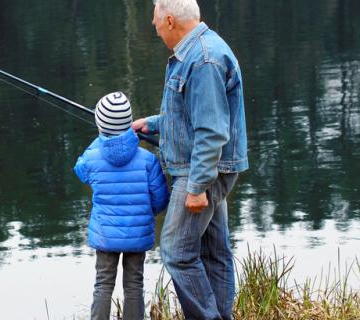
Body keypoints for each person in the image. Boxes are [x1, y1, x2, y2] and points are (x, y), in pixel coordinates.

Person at [131, 1, 249, 319]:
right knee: (213, 251)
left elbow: (211, 131)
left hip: (202, 171)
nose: (154, 27)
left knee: (177, 252)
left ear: (170, 20)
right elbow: (193, 111)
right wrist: (154, 123)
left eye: (155, 20)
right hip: (204, 167)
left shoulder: (204, 60)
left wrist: (197, 186)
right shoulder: (198, 51)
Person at [74, 91, 169, 320]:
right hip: (138, 232)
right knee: (134, 284)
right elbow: (160, 199)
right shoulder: (148, 160)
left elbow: (80, 171)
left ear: (100, 125)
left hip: (105, 235)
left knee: (103, 284)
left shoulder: (92, 157)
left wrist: (100, 140)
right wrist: (145, 213)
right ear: (129, 123)